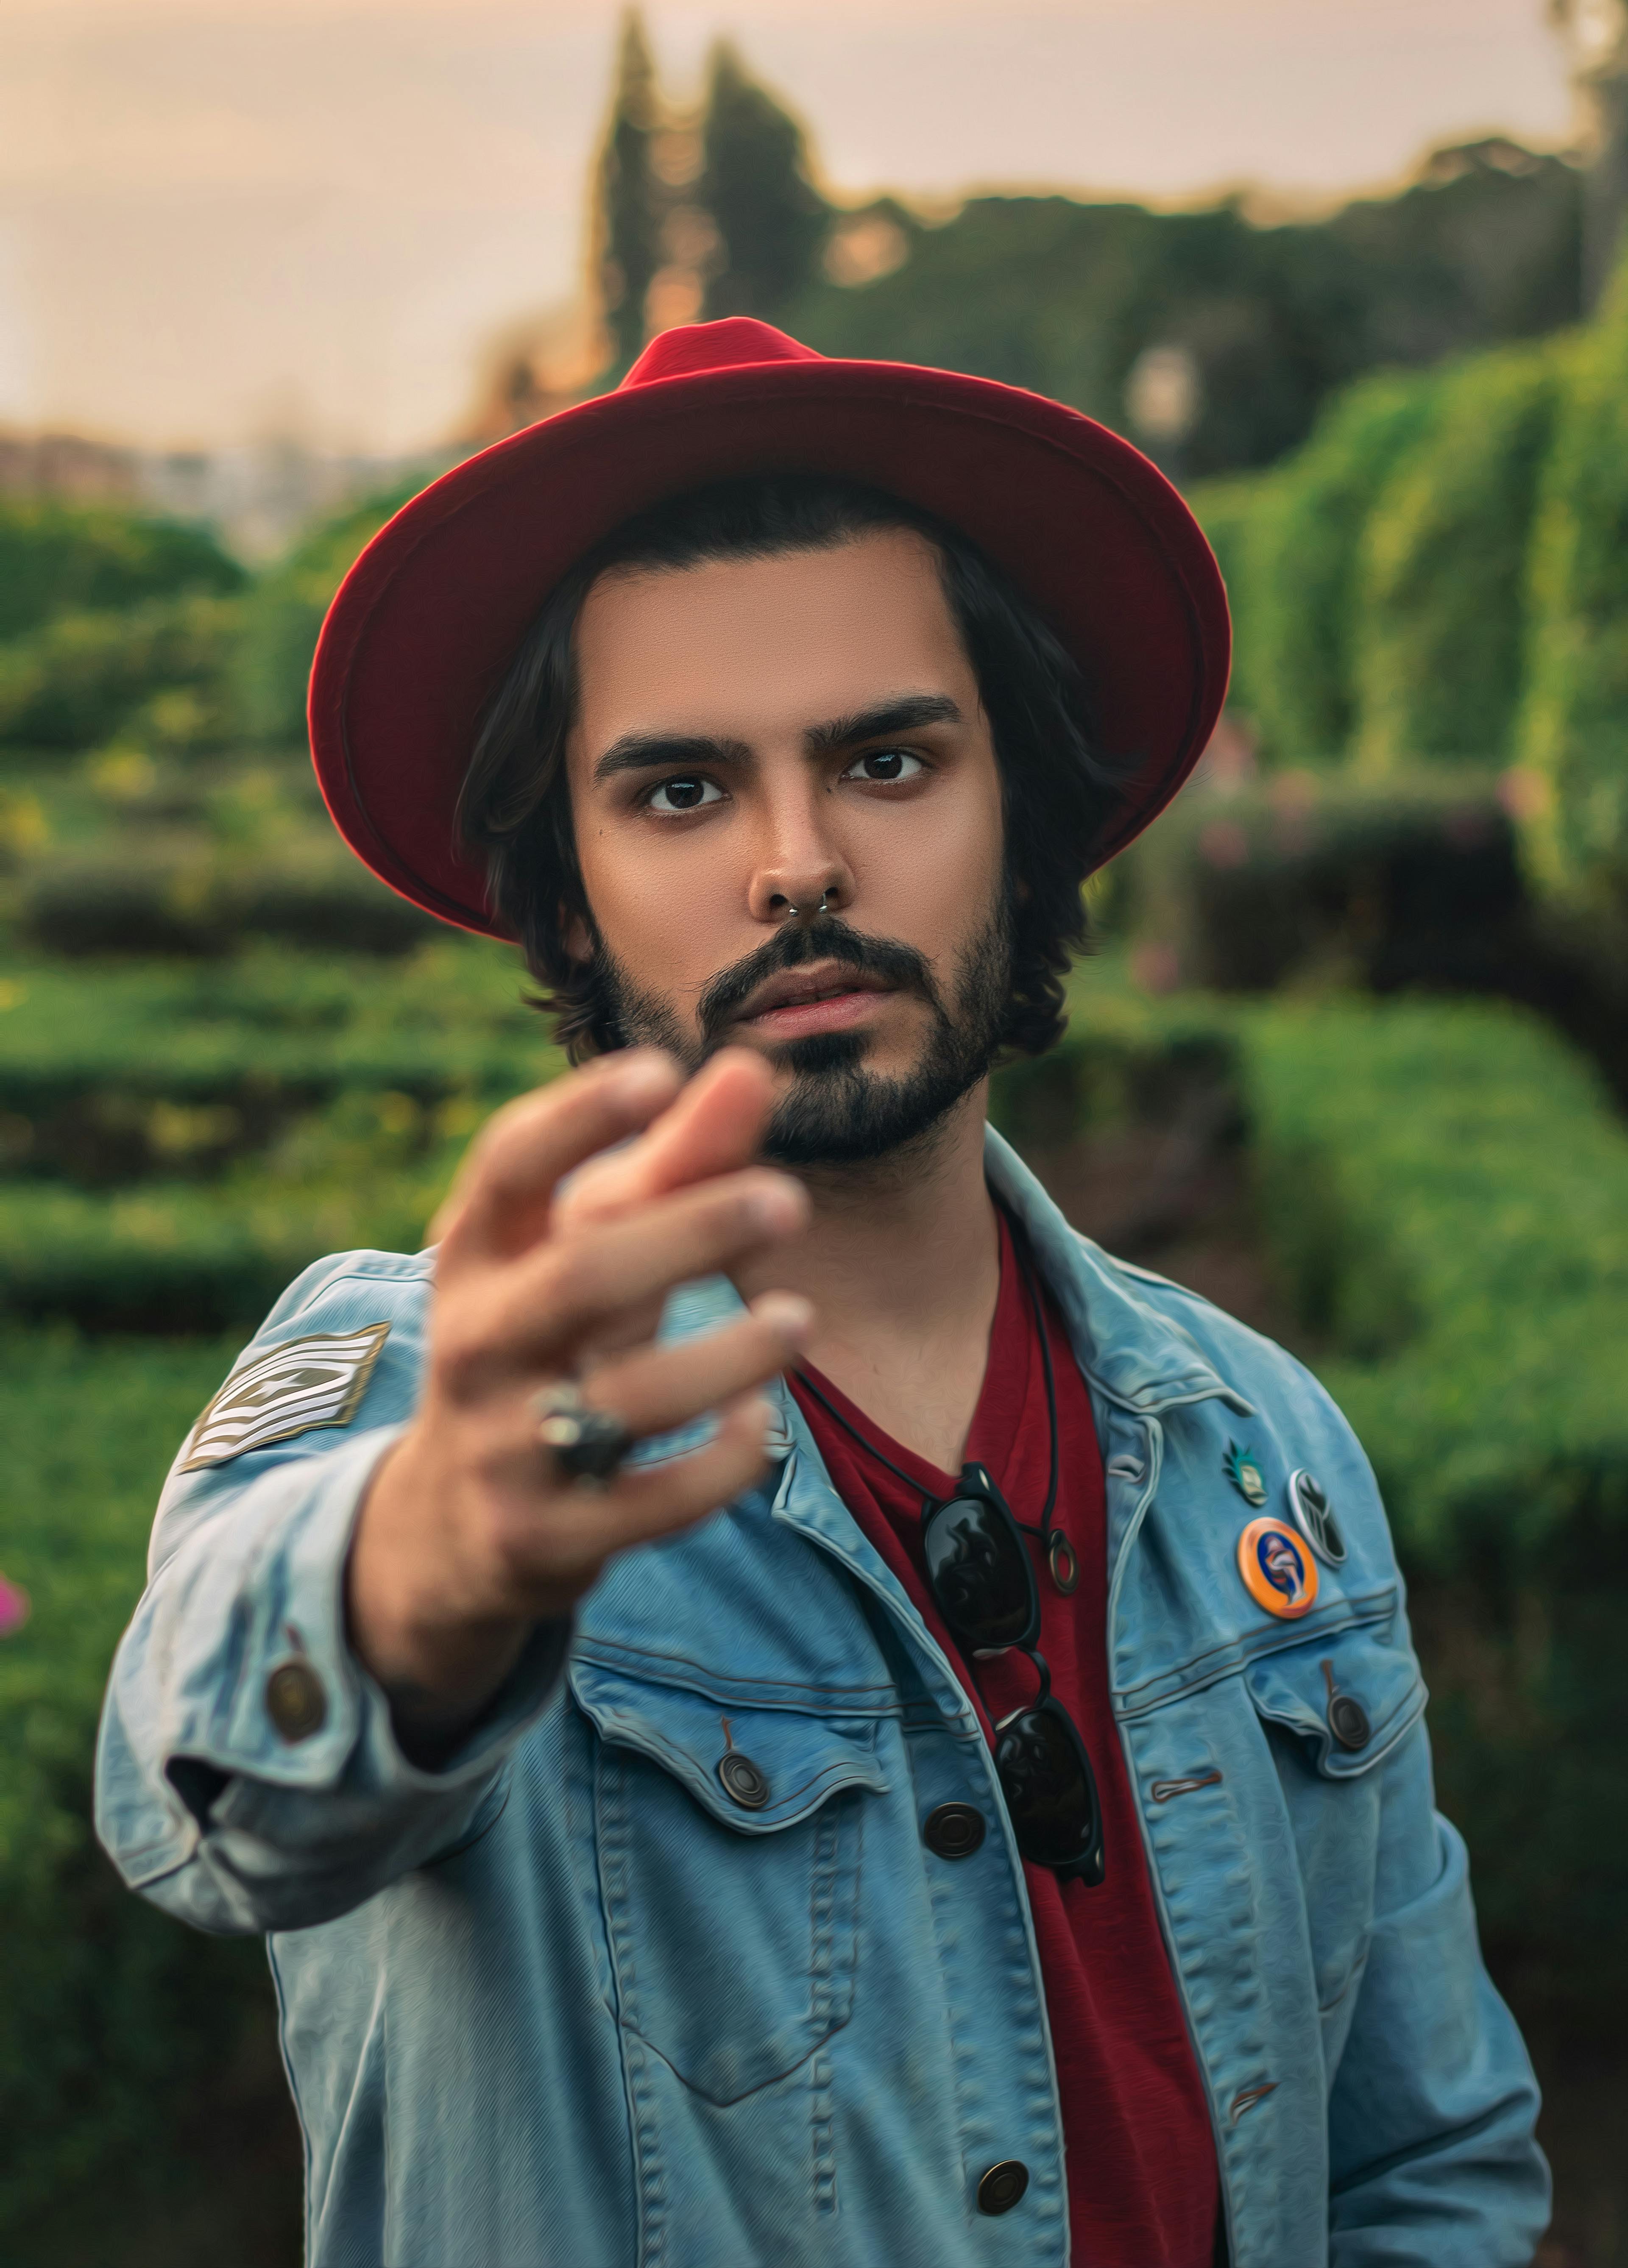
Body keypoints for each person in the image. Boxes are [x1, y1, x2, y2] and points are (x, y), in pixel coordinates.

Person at [95, 320, 1548, 2268]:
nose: (798, 863)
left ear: (1019, 807)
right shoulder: (431, 1385)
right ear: (572, 885)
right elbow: (203, 1808)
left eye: (885, 759)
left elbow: (1430, 2159)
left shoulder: (1257, 1440)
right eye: (681, 793)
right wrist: (422, 1572)